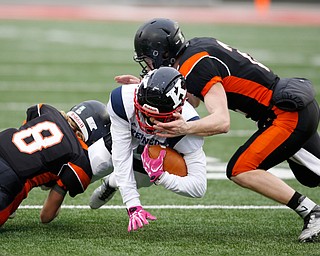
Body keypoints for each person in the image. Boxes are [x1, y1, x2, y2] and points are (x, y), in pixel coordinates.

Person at [115, 18, 320, 242]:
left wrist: (185, 127)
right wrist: (151, 88)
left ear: (160, 53)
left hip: (285, 115)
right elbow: (190, 98)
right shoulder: (193, 53)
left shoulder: (195, 64)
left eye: (147, 59)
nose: (147, 65)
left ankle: (312, 212)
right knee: (312, 174)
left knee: (240, 169)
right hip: (288, 109)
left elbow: (221, 121)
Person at [90, 67, 207, 232]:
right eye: (143, 112)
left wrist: (160, 176)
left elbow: (198, 187)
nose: (148, 120)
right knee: (95, 163)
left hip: (151, 157)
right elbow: (121, 155)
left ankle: (112, 182)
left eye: (156, 118)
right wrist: (132, 205)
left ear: (177, 112)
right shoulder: (123, 100)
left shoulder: (188, 128)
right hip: (123, 141)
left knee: (144, 176)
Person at [0, 100, 111, 226]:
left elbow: (23, 144)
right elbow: (46, 216)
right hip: (8, 180)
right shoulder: (78, 158)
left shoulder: (46, 110)